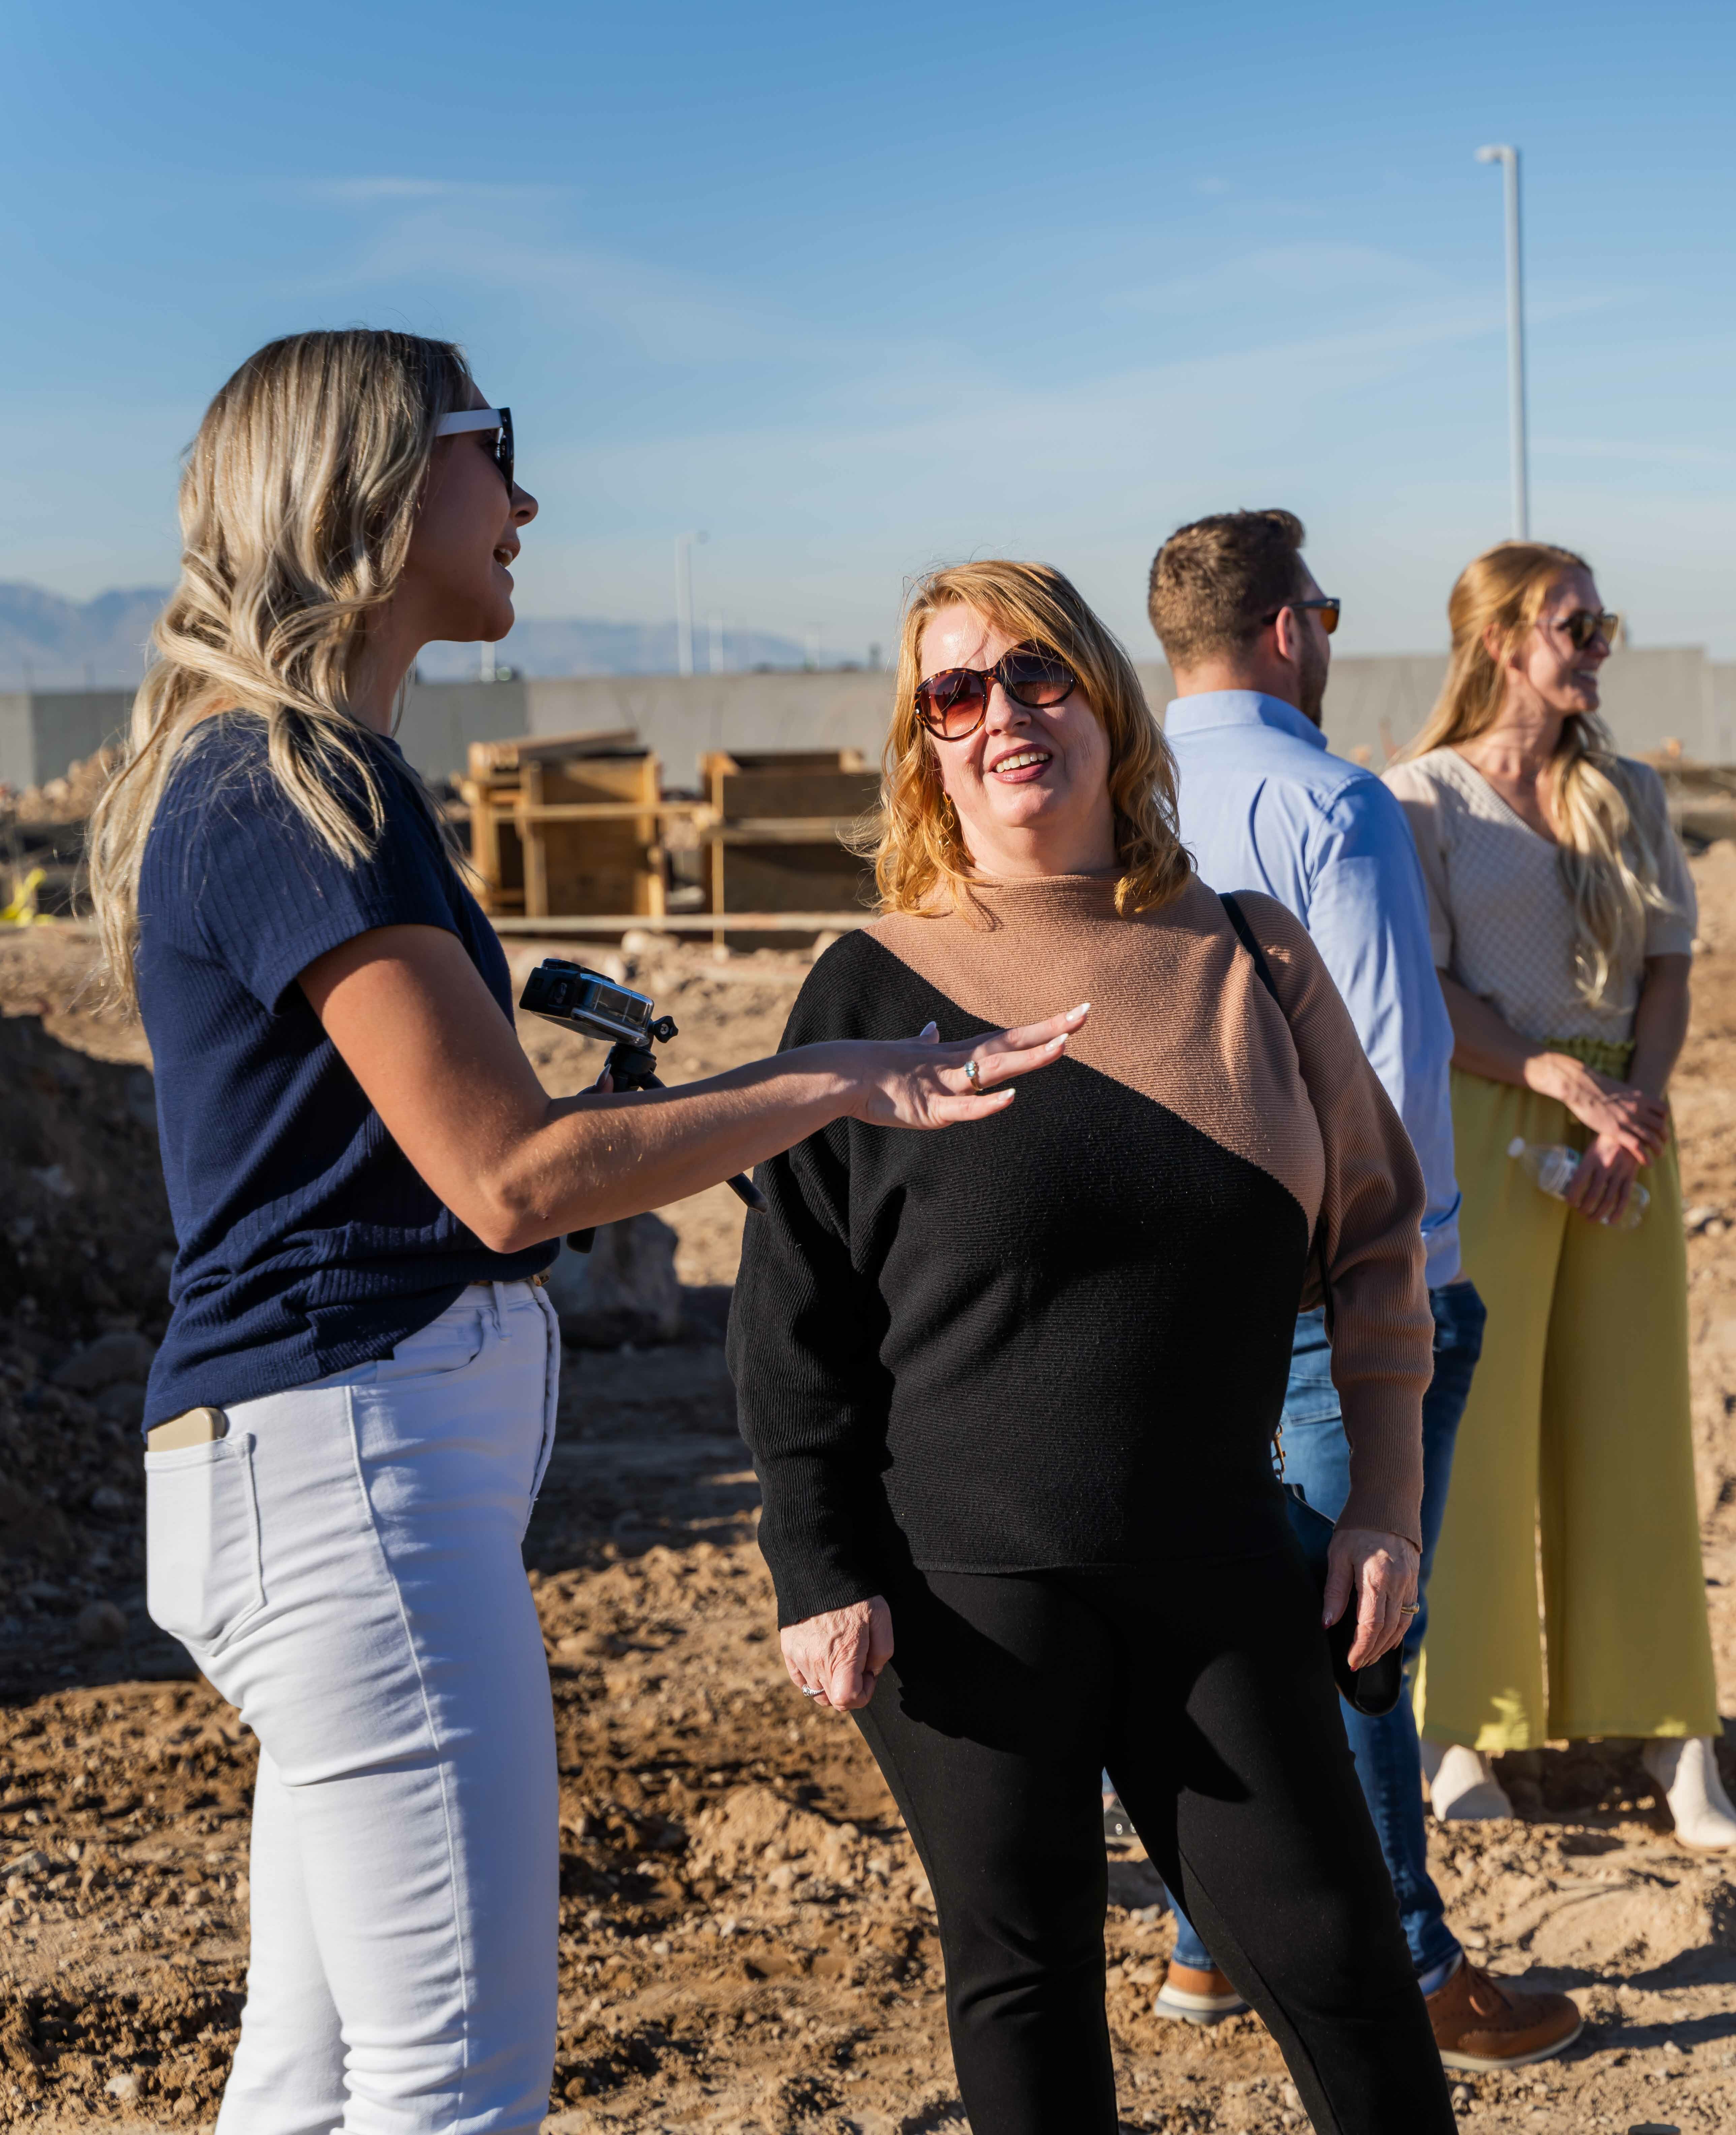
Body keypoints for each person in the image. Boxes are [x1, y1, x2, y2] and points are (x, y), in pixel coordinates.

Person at [98, 330, 1080, 2132]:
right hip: (349, 1483)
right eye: (497, 446)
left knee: (312, 2082)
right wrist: (842, 1080)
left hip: (313, 1474)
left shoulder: (295, 777)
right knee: (453, 2084)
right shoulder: (298, 785)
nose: (530, 497)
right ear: (374, 487)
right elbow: (513, 1176)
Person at [734, 559, 1453, 2132]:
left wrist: (1387, 1505)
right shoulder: (869, 986)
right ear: (924, 741)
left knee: (1344, 1972)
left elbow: (1380, 1252)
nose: (1007, 716)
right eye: (959, 692)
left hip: (1217, 1561)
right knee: (1029, 1979)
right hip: (961, 1595)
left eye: (1041, 674)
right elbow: (796, 1310)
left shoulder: (1254, 959)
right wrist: (816, 1564)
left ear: (1110, 701)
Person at [1145, 507, 1582, 2070]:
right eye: (1322, 610)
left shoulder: (1118, 800)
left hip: (1180, 1283)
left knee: (1214, 1611)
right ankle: (1403, 1962)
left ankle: (1205, 1950)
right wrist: (1418, 1282)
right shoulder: (1334, 801)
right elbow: (1390, 1066)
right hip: (1343, 1285)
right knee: (1362, 1622)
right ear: (1287, 630)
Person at [1381, 540, 1736, 1852]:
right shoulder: (1417, 802)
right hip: (1485, 1120)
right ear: (1499, 639)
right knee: (1476, 1438)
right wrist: (1559, 1084)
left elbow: (1668, 969)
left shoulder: (1629, 793)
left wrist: (1631, 1110)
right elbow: (1426, 991)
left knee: (1634, 1427)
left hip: (1627, 1136)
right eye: (1575, 624)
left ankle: (1669, 1726)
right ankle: (1458, 1724)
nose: (1599, 645)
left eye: (1604, 625)